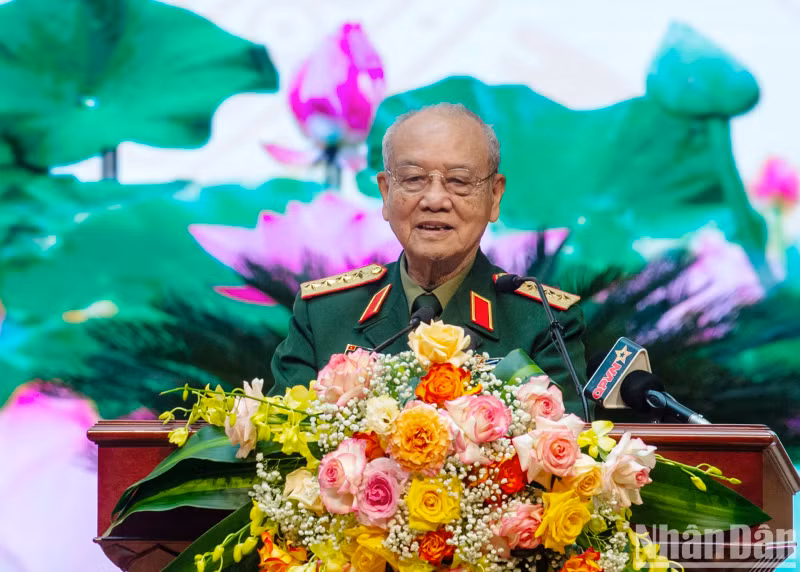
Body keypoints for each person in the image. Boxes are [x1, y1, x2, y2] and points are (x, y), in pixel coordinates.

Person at [270, 103, 587, 409]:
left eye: (459, 181)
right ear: (385, 192)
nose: (434, 200)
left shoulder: (544, 321)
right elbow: (280, 434)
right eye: (413, 179)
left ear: (494, 196)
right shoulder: (324, 313)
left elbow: (569, 436)